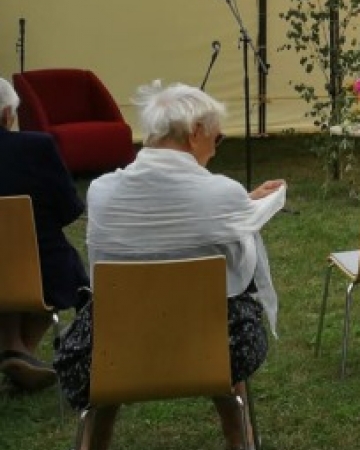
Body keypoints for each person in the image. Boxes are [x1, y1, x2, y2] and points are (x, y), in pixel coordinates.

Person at [56, 82, 287, 450]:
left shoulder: (101, 191)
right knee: (233, 300)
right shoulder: (222, 194)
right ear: (196, 132)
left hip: (114, 352)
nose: (214, 149)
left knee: (111, 321)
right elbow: (232, 251)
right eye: (218, 138)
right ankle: (239, 440)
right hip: (213, 349)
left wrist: (241, 201)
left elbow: (166, 215)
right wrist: (242, 203)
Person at [0, 78, 88, 392]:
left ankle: (14, 347)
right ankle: (20, 350)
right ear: (8, 113)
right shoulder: (36, 147)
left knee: (11, 258)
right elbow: (69, 209)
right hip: (39, 268)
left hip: (17, 267)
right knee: (51, 262)